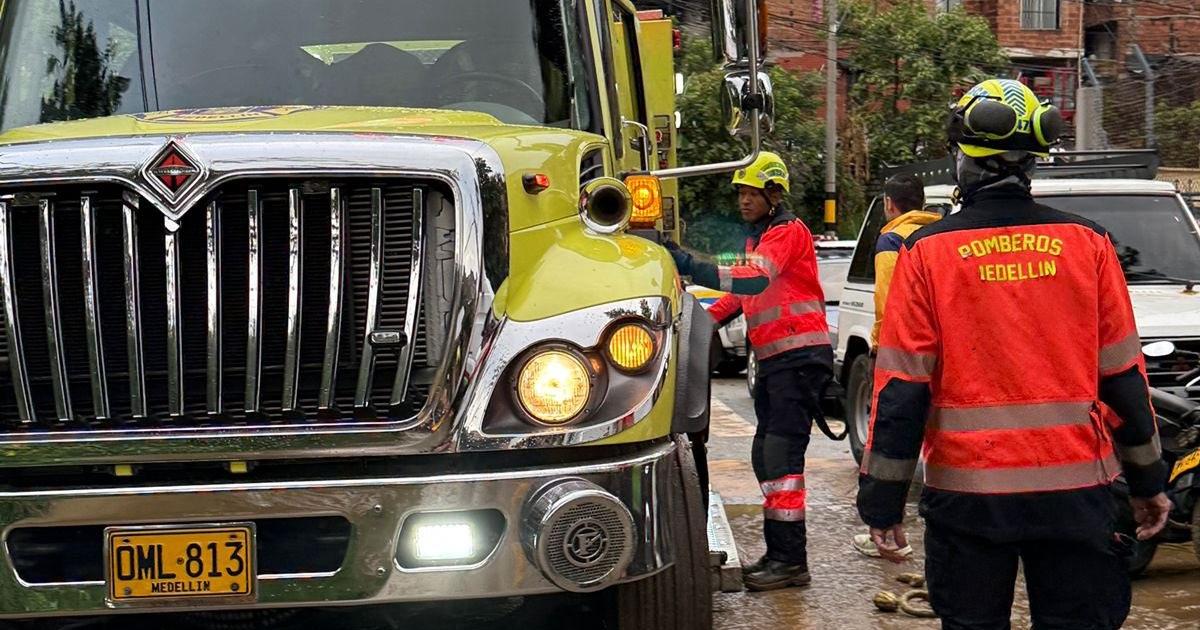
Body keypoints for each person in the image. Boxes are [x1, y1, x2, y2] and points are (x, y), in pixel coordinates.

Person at [856, 79, 1170, 629]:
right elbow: (1123, 378)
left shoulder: (925, 254)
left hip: (968, 500)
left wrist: (882, 500)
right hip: (1075, 495)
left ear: (962, 158)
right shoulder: (1089, 244)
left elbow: (903, 388)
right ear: (1032, 161)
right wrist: (1147, 483)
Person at [667, 151, 833, 592]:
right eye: (740, 192)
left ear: (774, 195)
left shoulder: (786, 232)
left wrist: (688, 263)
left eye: (752, 193)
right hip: (780, 363)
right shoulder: (757, 240)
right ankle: (782, 556)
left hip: (798, 361)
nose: (743, 200)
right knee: (768, 457)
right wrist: (693, 326)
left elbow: (753, 280)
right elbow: (740, 298)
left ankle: (789, 561)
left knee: (781, 460)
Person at [851, 173, 941, 559]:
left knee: (888, 441)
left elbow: (890, 300)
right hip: (943, 351)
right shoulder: (938, 235)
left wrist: (883, 347)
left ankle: (885, 530)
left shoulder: (891, 239)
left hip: (899, 352)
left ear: (889, 204)